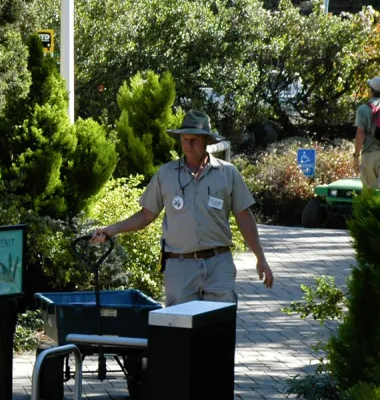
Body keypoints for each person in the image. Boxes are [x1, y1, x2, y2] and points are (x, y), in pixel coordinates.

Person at [91, 109, 273, 307]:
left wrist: (260, 258)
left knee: (219, 331)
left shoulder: (227, 173)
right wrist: (113, 229)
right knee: (181, 331)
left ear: (207, 141)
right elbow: (146, 215)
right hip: (179, 266)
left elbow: (244, 216)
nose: (188, 144)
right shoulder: (166, 174)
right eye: (185, 139)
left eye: (194, 139)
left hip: (218, 264)